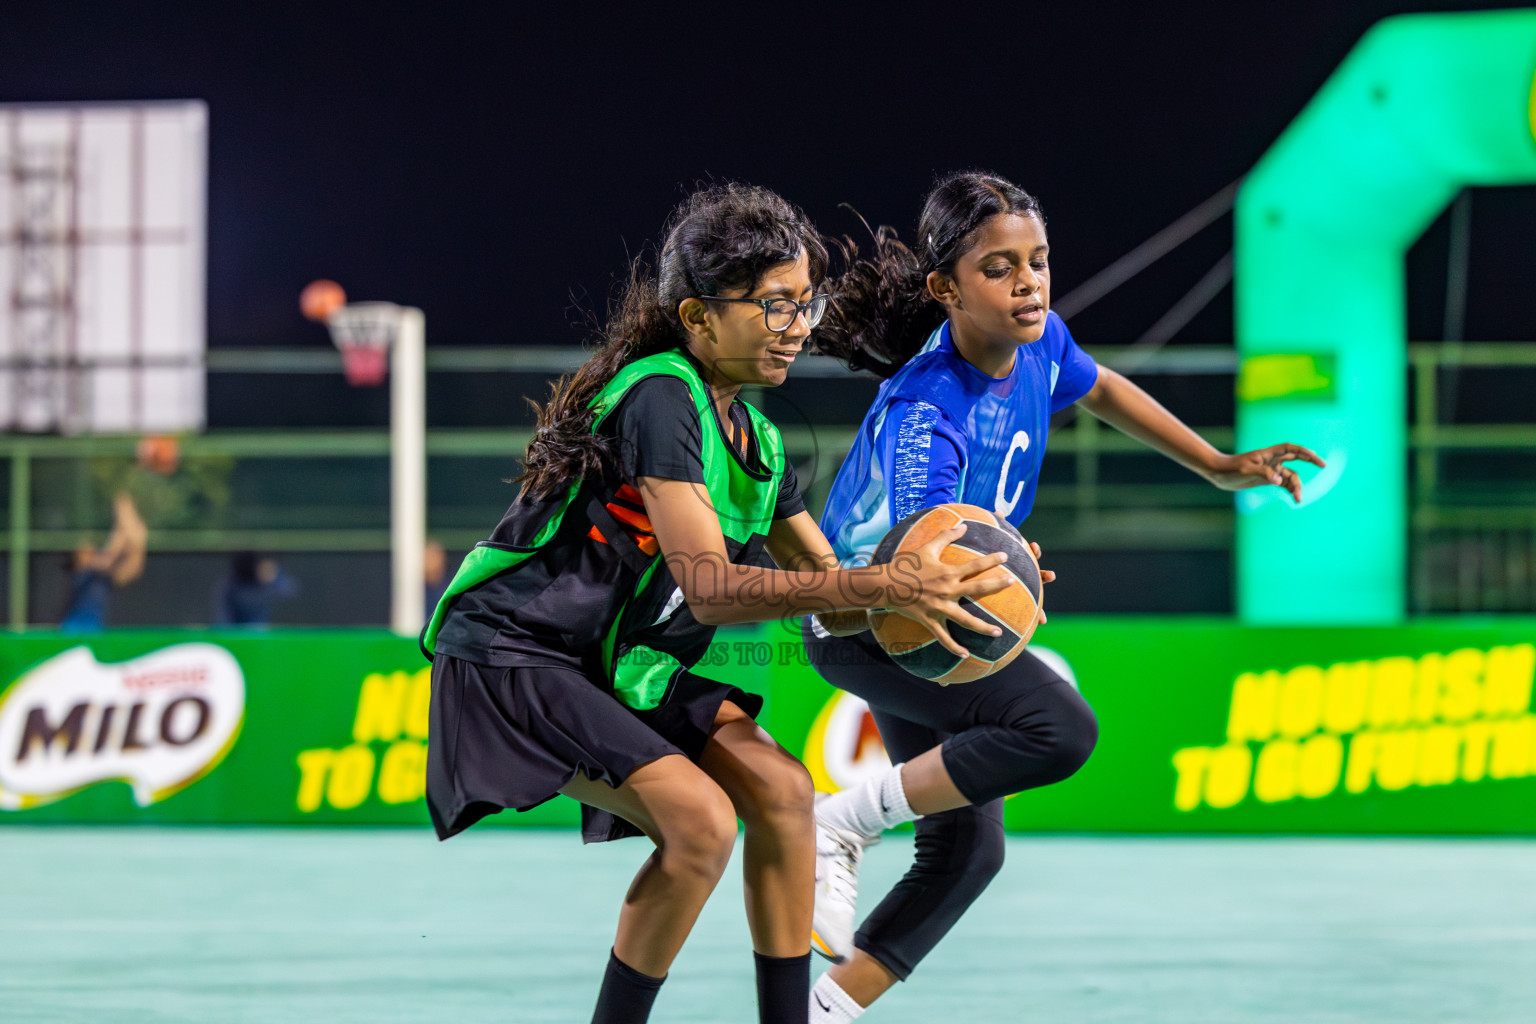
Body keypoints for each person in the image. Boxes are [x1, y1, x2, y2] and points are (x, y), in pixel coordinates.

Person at [419, 183, 1011, 1024]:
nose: (798, 326)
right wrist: (884, 585)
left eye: (804, 303)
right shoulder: (662, 395)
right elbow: (714, 588)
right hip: (515, 652)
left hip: (620, 665)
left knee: (782, 791)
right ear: (698, 318)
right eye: (773, 305)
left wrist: (968, 577)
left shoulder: (763, 448)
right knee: (700, 824)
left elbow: (837, 597)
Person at [801, 170, 1325, 1021]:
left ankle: (816, 1012)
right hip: (875, 620)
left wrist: (1218, 465)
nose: (1029, 282)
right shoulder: (922, 412)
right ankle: (837, 822)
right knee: (1055, 726)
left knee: (966, 850)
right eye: (1000, 269)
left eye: (1037, 261)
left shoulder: (1039, 343)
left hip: (938, 608)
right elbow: (921, 563)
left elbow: (1103, 387)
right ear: (946, 290)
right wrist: (997, 569)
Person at [60, 492, 148, 631]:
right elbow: (107, 558)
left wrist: (138, 544)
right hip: (74, 629)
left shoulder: (101, 577)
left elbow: (131, 570)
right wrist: (121, 531)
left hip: (95, 630)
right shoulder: (82, 570)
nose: (91, 549)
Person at [213, 552, 298, 626]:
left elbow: (290, 592)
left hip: (264, 635)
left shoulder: (273, 582)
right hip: (237, 635)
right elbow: (222, 617)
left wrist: (273, 580)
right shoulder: (230, 585)